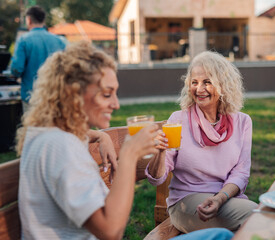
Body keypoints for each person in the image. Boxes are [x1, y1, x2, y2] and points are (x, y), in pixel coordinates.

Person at [16, 41, 160, 239]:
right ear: (74, 94)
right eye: (107, 94)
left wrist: (100, 135)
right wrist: (129, 154)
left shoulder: (44, 134)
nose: (116, 104)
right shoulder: (62, 147)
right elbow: (111, 231)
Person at [146, 51, 258, 233]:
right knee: (256, 217)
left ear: (223, 84)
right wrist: (159, 152)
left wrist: (220, 198)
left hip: (225, 198)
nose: (199, 89)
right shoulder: (178, 120)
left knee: (258, 216)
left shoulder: (242, 122)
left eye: (207, 82)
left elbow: (241, 172)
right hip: (185, 202)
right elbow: (156, 178)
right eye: (194, 82)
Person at [11, 5, 66, 112]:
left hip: (31, 97)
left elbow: (16, 69)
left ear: (29, 20)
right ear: (43, 20)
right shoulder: (59, 40)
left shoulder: (23, 40)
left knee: (33, 128)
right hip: (54, 97)